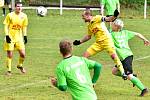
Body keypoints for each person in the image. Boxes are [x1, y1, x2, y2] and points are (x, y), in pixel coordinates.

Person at [73, 9, 127, 79]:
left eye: (83, 16)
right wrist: (79, 42)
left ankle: (123, 73)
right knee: (84, 56)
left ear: (88, 15)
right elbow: (88, 36)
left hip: (107, 41)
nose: (82, 18)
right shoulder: (89, 25)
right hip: (98, 44)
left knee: (114, 56)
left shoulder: (97, 18)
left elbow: (109, 19)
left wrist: (115, 16)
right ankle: (83, 72)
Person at [111, 19, 149, 96]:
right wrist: (145, 39)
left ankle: (144, 89)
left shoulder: (111, 35)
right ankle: (132, 76)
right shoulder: (125, 32)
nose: (111, 25)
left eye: (113, 24)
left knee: (129, 75)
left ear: (116, 27)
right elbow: (137, 34)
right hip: (123, 57)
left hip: (126, 56)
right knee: (114, 71)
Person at [3, 1, 28, 76]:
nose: (19, 8)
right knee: (10, 54)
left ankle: (20, 65)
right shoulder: (10, 15)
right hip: (10, 37)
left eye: (20, 6)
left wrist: (25, 36)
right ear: (15, 7)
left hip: (19, 38)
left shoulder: (24, 16)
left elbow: (24, 27)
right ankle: (9, 70)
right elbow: (6, 25)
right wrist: (7, 35)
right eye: (18, 6)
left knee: (23, 54)